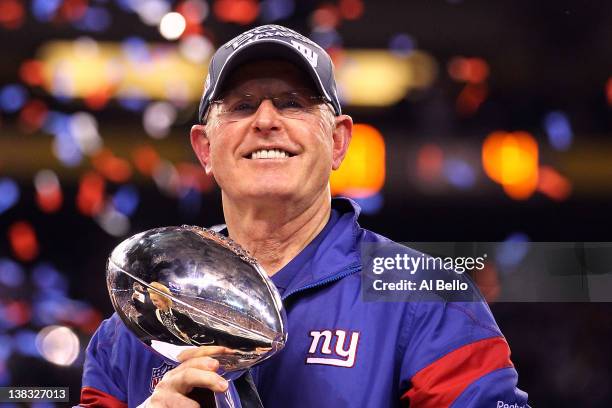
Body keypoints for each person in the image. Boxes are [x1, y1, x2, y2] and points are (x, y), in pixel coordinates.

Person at [80, 24, 530, 407]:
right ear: (204, 149)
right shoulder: (134, 326)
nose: (266, 120)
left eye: (292, 103)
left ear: (337, 142)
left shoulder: (426, 299)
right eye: (241, 106)